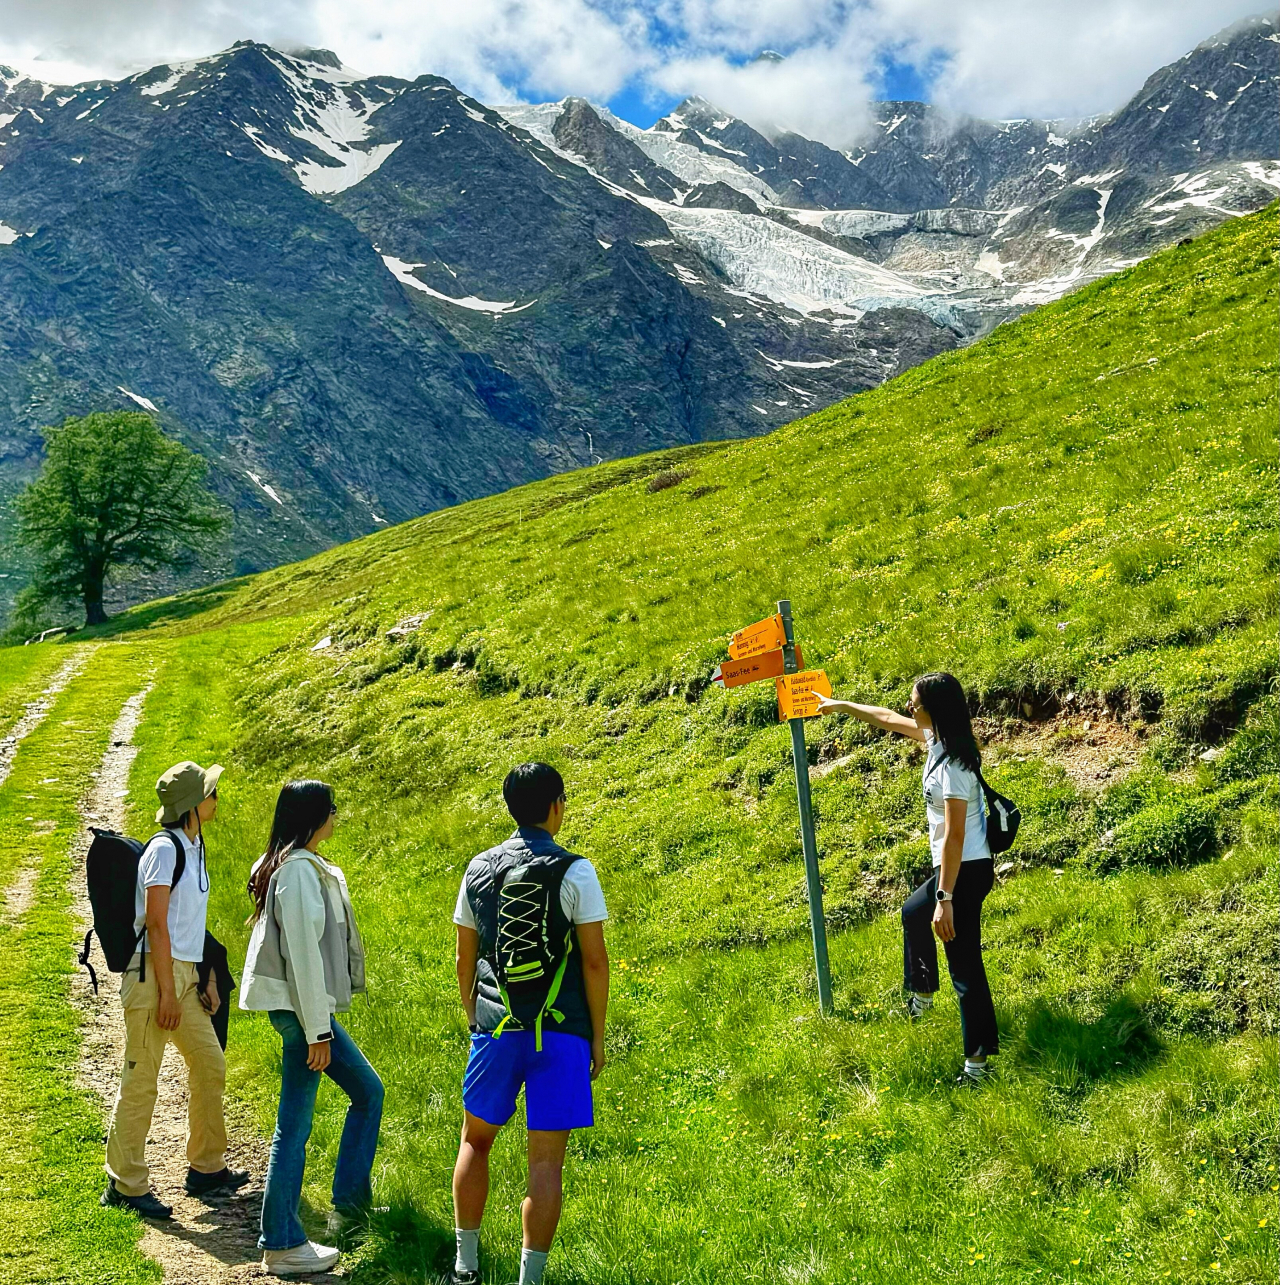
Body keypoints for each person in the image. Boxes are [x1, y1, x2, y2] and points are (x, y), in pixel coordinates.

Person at [450, 763, 610, 1285]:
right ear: (557, 806)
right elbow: (593, 961)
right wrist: (597, 1037)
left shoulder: (477, 868)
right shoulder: (576, 871)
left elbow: (464, 958)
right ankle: (530, 1279)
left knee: (476, 1142)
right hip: (562, 1032)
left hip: (495, 1029)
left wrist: (476, 1016)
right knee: (545, 1164)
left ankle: (466, 1266)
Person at [818, 673, 1000, 1085]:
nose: (908, 711)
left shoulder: (954, 765)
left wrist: (946, 896)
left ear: (934, 709)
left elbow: (955, 838)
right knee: (914, 913)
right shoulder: (937, 741)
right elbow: (885, 717)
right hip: (954, 868)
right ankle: (922, 996)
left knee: (964, 964)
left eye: (914, 705)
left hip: (964, 871)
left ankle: (977, 1066)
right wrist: (842, 706)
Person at [240, 780, 383, 1279]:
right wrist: (318, 1032)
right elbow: (302, 954)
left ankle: (347, 1205)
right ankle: (281, 1242)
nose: (336, 815)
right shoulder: (298, 872)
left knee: (366, 1092)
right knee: (295, 1127)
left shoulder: (290, 863)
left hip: (304, 1012)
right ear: (314, 816)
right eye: (332, 808)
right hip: (304, 1015)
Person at [103, 761, 248, 1218]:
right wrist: (168, 992)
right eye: (211, 792)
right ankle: (125, 1184)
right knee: (142, 1081)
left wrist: (204, 977)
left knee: (210, 1063)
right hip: (152, 976)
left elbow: (190, 926)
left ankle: (206, 1168)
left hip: (182, 975)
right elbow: (159, 925)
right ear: (191, 806)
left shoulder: (194, 844)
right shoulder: (164, 852)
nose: (217, 798)